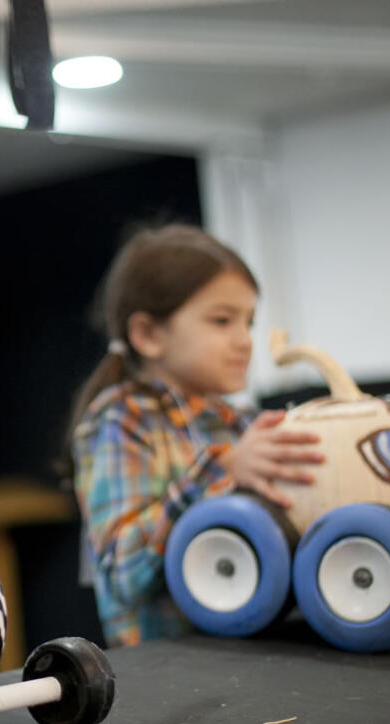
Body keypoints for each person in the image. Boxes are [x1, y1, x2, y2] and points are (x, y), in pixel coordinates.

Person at [68, 224, 323, 647]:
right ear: (148, 335)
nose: (244, 340)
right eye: (222, 320)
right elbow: (121, 572)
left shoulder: (240, 422)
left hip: (258, 654)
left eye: (249, 323)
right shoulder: (122, 420)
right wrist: (219, 471)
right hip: (169, 670)